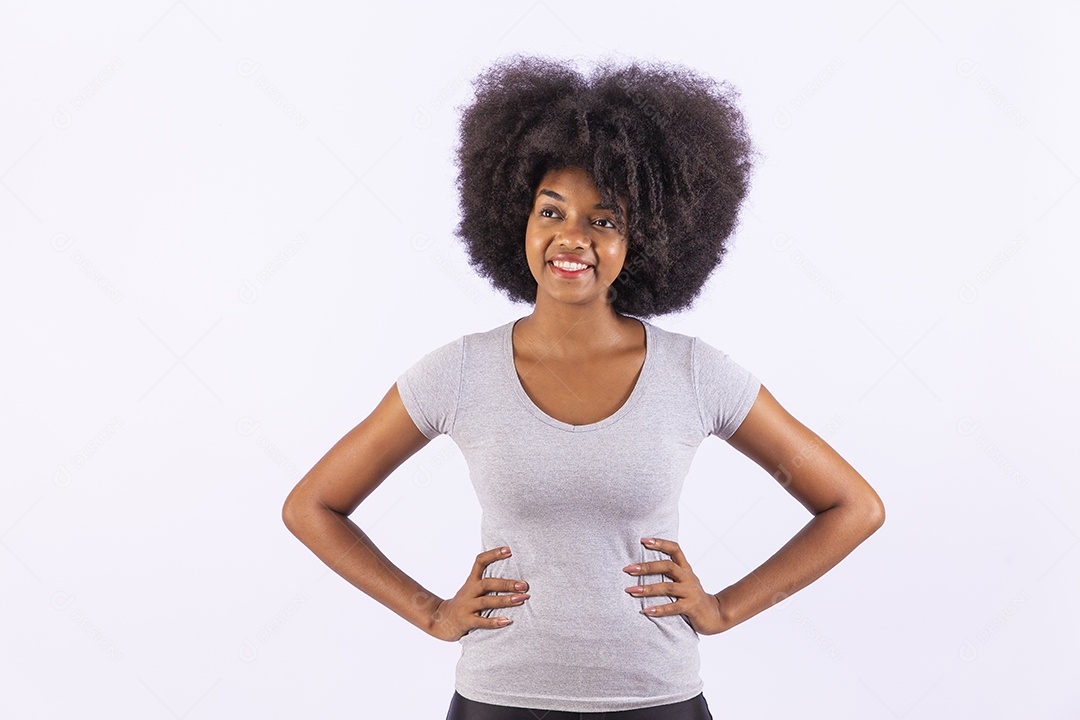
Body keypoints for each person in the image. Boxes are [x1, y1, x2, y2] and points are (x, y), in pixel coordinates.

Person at [282, 55, 885, 720]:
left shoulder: (695, 374)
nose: (572, 239)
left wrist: (724, 609)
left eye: (603, 220)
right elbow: (313, 505)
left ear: (642, 240)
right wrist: (430, 612)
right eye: (551, 212)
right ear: (519, 220)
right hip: (498, 701)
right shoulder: (458, 373)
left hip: (656, 701)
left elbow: (851, 506)